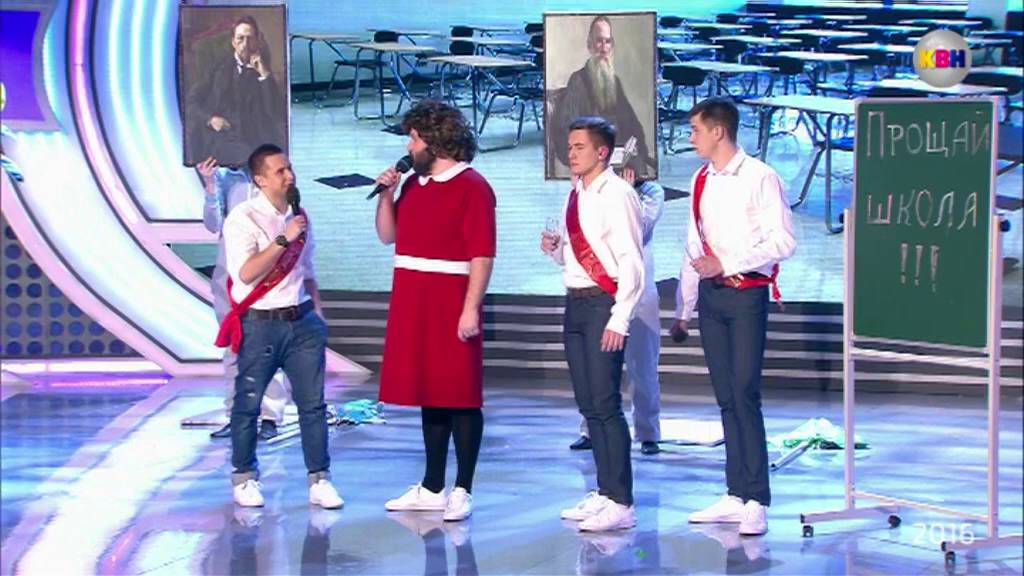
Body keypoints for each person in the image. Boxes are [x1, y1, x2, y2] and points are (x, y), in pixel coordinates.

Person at [672, 97, 796, 536]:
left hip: (746, 296)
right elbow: (694, 247)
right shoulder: (701, 179)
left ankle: (757, 497)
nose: (691, 138)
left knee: (744, 393)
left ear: (718, 131)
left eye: (695, 130)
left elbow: (783, 242)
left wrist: (726, 262)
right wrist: (684, 308)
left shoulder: (760, 177)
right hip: (712, 299)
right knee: (725, 396)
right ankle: (735, 492)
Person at [373, 101, 497, 523]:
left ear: (435, 140)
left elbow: (481, 254)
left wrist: (470, 309)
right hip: (414, 298)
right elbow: (388, 236)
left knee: (459, 394)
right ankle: (431, 486)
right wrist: (386, 195)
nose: (408, 147)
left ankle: (463, 488)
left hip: (450, 299)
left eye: (414, 138)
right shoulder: (412, 185)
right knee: (430, 392)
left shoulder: (472, 186)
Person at [218, 143, 342, 509]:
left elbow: (307, 269)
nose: (289, 176)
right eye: (280, 171)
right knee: (248, 404)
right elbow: (246, 272)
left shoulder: (299, 215)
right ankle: (244, 478)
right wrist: (283, 238)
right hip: (260, 324)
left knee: (312, 405)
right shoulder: (242, 218)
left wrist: (317, 312)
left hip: (302, 323)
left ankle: (320, 479)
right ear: (260, 180)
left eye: (289, 168)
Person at [542, 116, 644, 532]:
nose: (571, 154)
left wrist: (619, 318)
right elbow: (578, 257)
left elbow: (631, 262)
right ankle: (604, 491)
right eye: (570, 146)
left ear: (602, 152)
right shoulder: (577, 192)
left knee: (605, 403)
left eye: (579, 147)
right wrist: (555, 251)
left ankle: (621, 500)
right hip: (575, 303)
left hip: (604, 305)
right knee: (588, 405)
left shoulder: (617, 194)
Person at [570, 165, 664, 456]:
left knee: (642, 365)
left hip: (639, 293)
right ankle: (590, 429)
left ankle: (648, 432)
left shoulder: (651, 193)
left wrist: (629, 192)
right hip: (600, 291)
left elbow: (641, 230)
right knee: (595, 367)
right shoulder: (589, 191)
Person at [197, 156, 292, 441]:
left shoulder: (277, 172)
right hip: (230, 274)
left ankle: (270, 416)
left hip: (267, 273)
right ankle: (236, 415)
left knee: (267, 345)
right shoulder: (226, 178)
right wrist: (210, 183)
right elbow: (213, 224)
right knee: (234, 344)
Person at [548, 16, 654, 178]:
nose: (604, 48)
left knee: (645, 181)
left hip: (619, 160)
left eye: (608, 42)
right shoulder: (577, 81)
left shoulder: (614, 82)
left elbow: (632, 124)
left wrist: (633, 154)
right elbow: (567, 130)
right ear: (589, 45)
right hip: (595, 161)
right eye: (599, 41)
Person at [185, 16, 287, 167]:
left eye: (250, 38)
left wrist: (265, 75)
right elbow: (191, 101)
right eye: (240, 38)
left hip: (254, 137)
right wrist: (210, 119)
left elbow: (275, 111)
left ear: (257, 41)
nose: (245, 44)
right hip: (221, 137)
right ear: (233, 42)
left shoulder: (263, 71)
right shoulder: (217, 68)